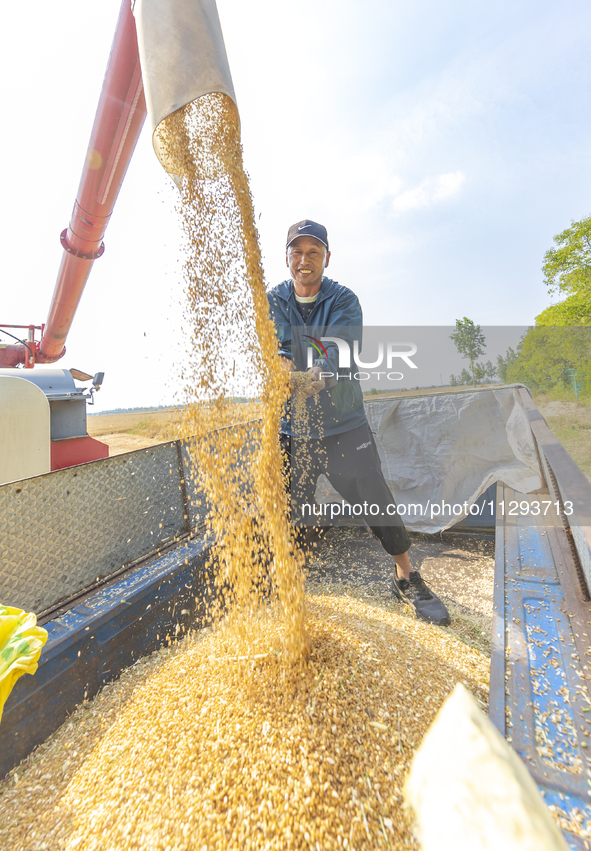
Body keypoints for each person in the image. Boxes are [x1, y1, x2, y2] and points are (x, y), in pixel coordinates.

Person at [267, 219, 450, 626]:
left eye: (313, 252)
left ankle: (406, 575)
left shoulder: (344, 300)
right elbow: (277, 346)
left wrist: (311, 376)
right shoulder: (275, 299)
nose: (304, 260)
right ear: (287, 259)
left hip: (342, 425)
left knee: (376, 500)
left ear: (326, 258)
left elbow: (340, 354)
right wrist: (281, 364)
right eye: (296, 252)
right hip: (292, 430)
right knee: (285, 510)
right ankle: (286, 585)